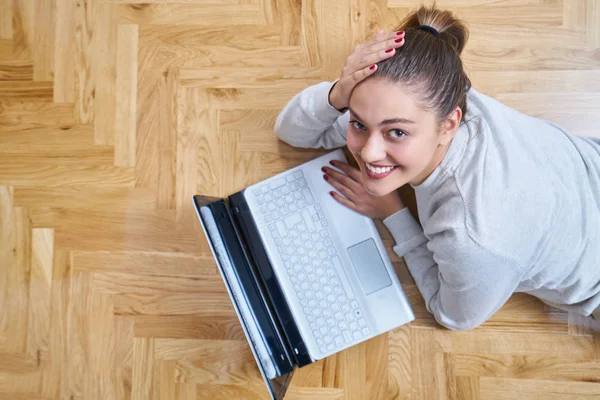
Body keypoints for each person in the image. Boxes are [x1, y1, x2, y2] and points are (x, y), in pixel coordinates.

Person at [273, 4, 600, 330]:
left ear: (449, 126)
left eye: (396, 132)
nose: (369, 153)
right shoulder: (435, 93)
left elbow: (455, 317)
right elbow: (292, 133)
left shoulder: (473, 238)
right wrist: (338, 93)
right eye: (358, 124)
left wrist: (393, 211)